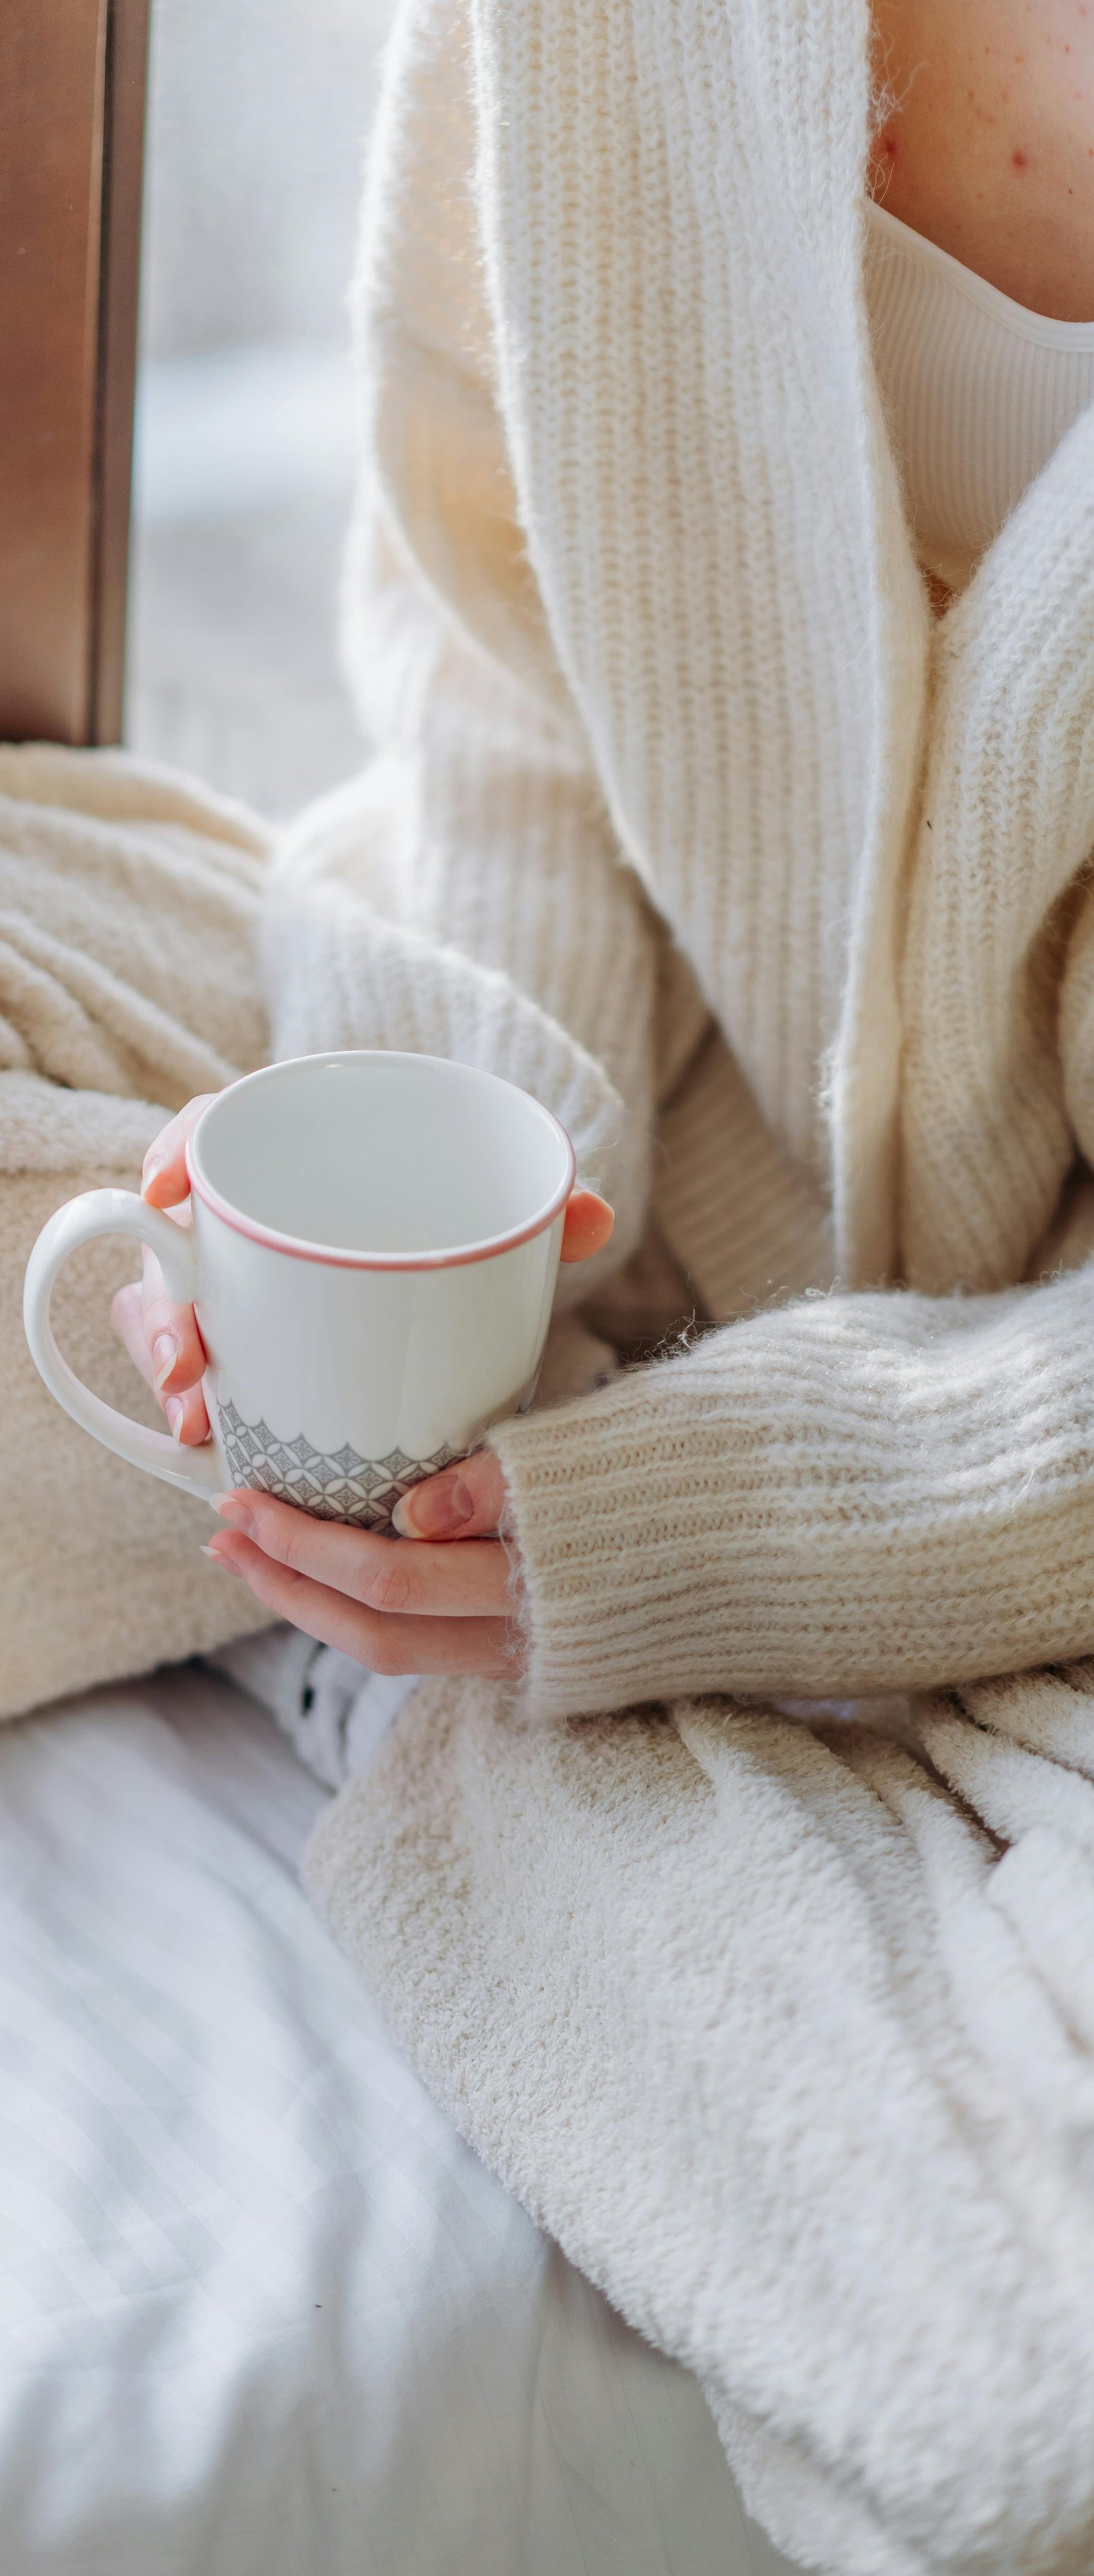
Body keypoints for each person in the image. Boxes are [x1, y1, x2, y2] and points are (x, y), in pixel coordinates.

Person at [108, 0, 1094, 1787]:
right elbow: (492, 668)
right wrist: (431, 1161)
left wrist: (727, 1532)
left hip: (1030, 1406)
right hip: (629, 1123)